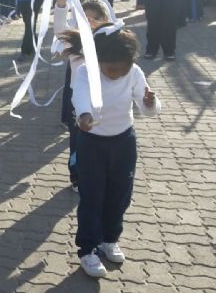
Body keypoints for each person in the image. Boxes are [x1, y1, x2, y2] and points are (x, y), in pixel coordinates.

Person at [59, 26, 160, 278]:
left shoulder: (134, 72)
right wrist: (84, 115)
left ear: (130, 62)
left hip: (123, 141)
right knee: (92, 196)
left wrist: (150, 103)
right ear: (97, 60)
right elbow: (79, 96)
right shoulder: (85, 72)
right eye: (109, 69)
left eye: (121, 68)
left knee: (120, 194)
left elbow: (146, 105)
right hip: (92, 143)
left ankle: (109, 238)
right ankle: (87, 250)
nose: (115, 74)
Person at [54, 0, 111, 192]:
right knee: (78, 139)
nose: (89, 22)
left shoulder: (111, 41)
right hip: (78, 100)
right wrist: (61, 6)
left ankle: (101, 175)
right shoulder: (76, 42)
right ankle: (77, 176)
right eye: (83, 18)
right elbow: (60, 30)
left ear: (105, 19)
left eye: (94, 19)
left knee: (101, 139)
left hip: (104, 100)